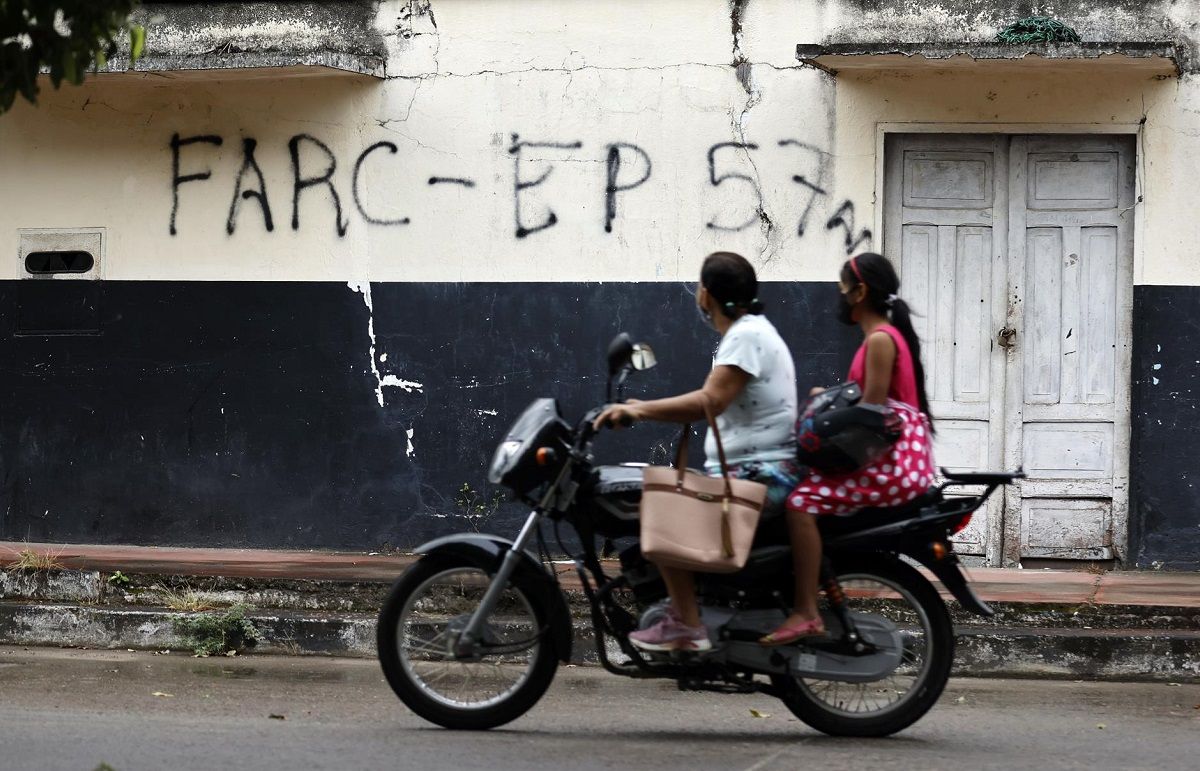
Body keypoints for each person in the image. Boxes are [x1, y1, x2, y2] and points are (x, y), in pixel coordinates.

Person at [593, 251, 805, 652]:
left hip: (762, 475)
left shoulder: (745, 337)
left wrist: (637, 409)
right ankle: (688, 609)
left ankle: (687, 625)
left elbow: (710, 401)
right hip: (764, 469)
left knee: (665, 510)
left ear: (705, 295)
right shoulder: (751, 332)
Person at [761, 251, 935, 646]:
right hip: (890, 455)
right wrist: (832, 397)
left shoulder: (879, 340)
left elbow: (871, 415)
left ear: (859, 292)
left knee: (800, 504)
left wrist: (829, 411)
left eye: (843, 288)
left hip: (890, 462)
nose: (838, 295)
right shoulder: (882, 338)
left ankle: (806, 611)